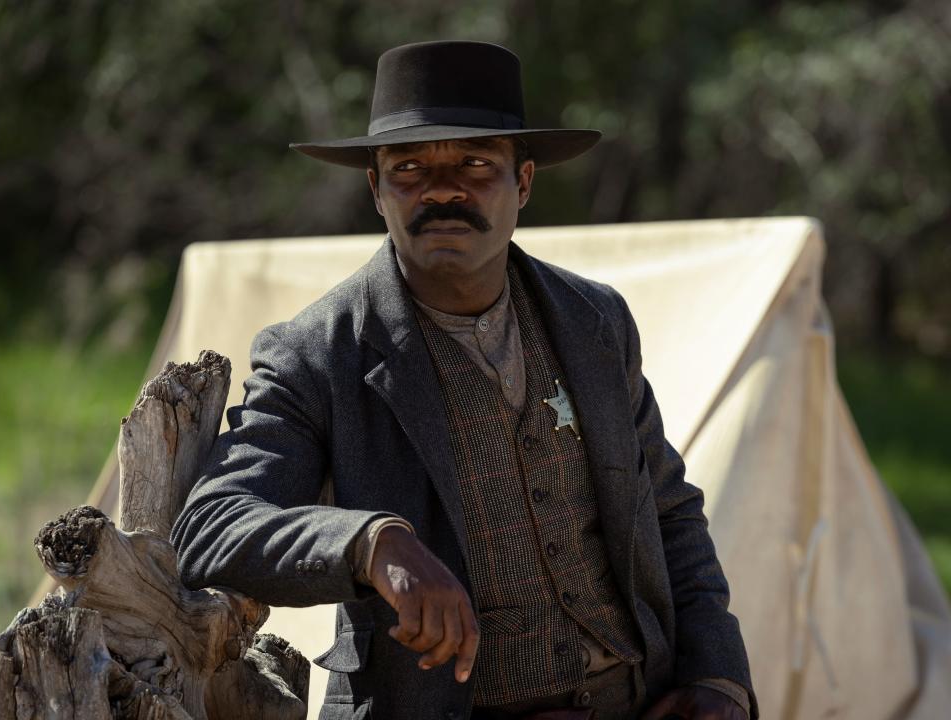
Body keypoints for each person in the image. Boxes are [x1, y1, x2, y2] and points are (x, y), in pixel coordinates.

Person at [171, 40, 756, 720]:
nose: (444, 189)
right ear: (377, 189)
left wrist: (719, 680)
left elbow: (668, 510)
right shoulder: (318, 354)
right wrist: (369, 543)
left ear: (525, 182)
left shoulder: (596, 322)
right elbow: (210, 528)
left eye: (476, 163)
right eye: (410, 167)